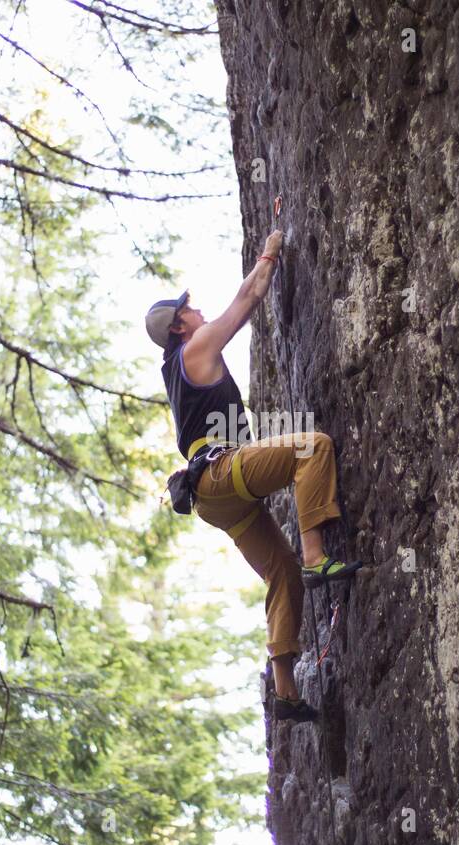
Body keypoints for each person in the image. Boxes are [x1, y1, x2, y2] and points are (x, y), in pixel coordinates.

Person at [144, 229, 362, 723]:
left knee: (277, 571)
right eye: (190, 310)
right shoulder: (196, 346)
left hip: (213, 500)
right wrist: (270, 252)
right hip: (220, 472)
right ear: (181, 325)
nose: (199, 312)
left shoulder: (175, 370)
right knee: (312, 447)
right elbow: (246, 300)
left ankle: (285, 691)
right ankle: (316, 557)